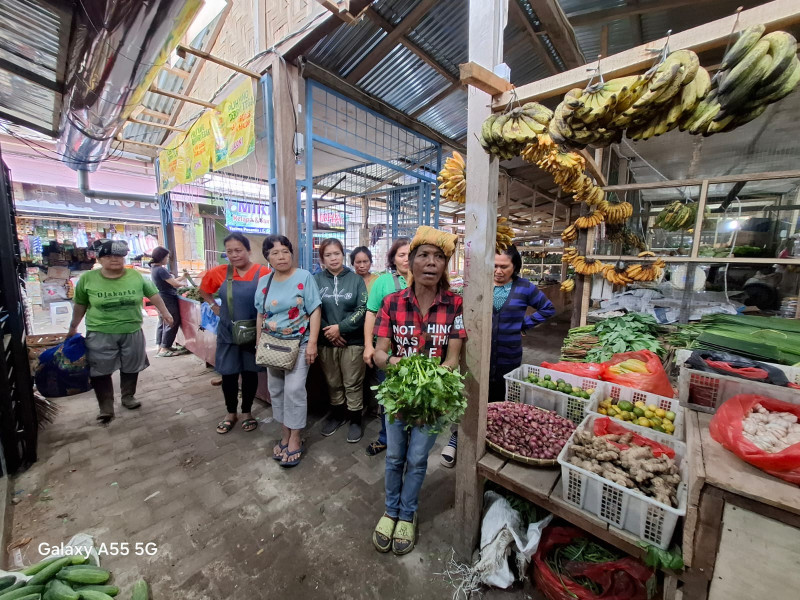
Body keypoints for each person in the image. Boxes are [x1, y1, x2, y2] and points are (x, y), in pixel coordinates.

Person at [371, 226, 465, 555]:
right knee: (395, 456)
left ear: (445, 266)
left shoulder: (455, 304)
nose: (431, 262)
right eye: (423, 255)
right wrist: (402, 365)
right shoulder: (392, 302)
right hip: (398, 395)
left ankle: (407, 515)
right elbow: (380, 354)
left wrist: (431, 378)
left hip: (431, 399)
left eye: (439, 257)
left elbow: (452, 359)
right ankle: (391, 510)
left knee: (417, 459)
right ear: (410, 263)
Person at [439, 245, 556, 468]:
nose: (498, 271)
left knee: (500, 398)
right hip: (476, 354)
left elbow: (547, 308)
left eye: (504, 266)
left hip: (508, 354)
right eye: (494, 266)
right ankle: (458, 437)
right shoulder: (476, 286)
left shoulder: (524, 288)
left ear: (515, 267)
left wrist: (524, 324)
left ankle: (493, 441)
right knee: (470, 395)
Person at [67, 240, 174, 423]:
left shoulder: (136, 276)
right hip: (100, 331)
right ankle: (106, 407)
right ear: (100, 259)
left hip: (131, 329)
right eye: (108, 256)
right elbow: (80, 304)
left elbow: (153, 294)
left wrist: (165, 313)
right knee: (100, 370)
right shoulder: (88, 279)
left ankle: (128, 397)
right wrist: (73, 327)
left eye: (118, 256)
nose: (114, 260)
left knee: (131, 366)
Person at [256, 235, 321, 468]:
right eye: (274, 253)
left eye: (285, 251)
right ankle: (285, 432)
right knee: (277, 390)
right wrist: (258, 342)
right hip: (272, 345)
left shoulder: (304, 277)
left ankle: (295, 436)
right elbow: (261, 315)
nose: (281, 256)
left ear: (291, 253)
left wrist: (312, 342)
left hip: (299, 343)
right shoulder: (265, 282)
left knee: (294, 390)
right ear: (268, 258)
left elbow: (314, 310)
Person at [199, 233, 271, 435]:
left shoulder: (263, 273)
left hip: (253, 332)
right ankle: (231, 412)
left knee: (250, 374)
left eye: (238, 250)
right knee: (229, 374)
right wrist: (213, 305)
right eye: (229, 251)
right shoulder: (219, 272)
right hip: (228, 333)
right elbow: (204, 290)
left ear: (249, 251)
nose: (234, 255)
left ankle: (247, 412)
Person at [314, 239, 368, 442]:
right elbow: (312, 308)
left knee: (353, 382)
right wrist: (329, 331)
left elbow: (362, 308)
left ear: (343, 255)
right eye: (328, 255)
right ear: (322, 258)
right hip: (326, 341)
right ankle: (337, 415)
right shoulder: (316, 280)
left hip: (352, 341)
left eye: (336, 253)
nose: (333, 258)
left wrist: (341, 328)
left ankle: (355, 420)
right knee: (333, 382)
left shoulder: (356, 280)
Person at [362, 237, 410, 456]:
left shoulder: (425, 280)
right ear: (393, 258)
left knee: (414, 399)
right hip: (388, 353)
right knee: (388, 399)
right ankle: (386, 438)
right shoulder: (382, 282)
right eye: (401, 254)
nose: (407, 259)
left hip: (416, 355)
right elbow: (371, 312)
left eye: (411, 254)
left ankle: (410, 439)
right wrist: (368, 346)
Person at [149, 246, 187, 357]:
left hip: (161, 297)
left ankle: (161, 346)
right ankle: (164, 348)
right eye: (166, 257)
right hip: (167, 298)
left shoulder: (155, 268)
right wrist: (184, 284)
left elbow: (171, 281)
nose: (167, 259)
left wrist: (182, 277)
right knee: (172, 321)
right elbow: (174, 284)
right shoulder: (161, 269)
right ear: (161, 257)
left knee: (163, 321)